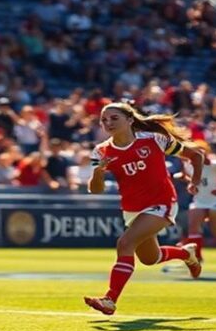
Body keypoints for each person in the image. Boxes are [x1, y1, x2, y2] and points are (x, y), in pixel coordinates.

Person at [84, 103, 205, 316]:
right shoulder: (101, 151)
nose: (108, 123)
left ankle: (110, 299)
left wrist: (194, 182)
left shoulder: (154, 140)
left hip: (162, 202)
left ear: (130, 120)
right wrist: (99, 172)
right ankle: (186, 253)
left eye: (114, 118)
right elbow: (95, 190)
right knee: (150, 258)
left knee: (125, 243)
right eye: (104, 120)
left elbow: (196, 156)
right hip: (132, 209)